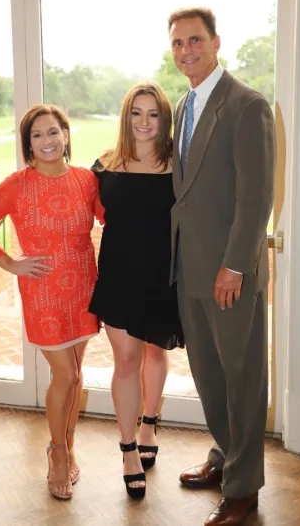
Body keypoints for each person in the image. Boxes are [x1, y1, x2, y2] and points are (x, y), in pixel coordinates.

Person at [0, 104, 104, 501]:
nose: (47, 141)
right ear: (28, 145)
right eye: (37, 135)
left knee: (76, 372)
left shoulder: (87, 180)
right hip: (43, 292)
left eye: (53, 132)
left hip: (83, 288)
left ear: (66, 135)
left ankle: (68, 447)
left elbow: (117, 218)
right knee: (67, 376)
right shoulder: (17, 185)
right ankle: (58, 454)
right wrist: (12, 264)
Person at [168, 7, 276, 525]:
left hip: (230, 274)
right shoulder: (183, 106)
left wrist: (235, 265)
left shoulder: (247, 105)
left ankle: (244, 488)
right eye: (177, 43)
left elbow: (257, 197)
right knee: (209, 374)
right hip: (190, 270)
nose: (186, 51)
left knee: (242, 376)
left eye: (195, 40)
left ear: (215, 43)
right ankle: (226, 456)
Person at [89, 81, 184, 499]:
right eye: (136, 113)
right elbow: (80, 215)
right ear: (126, 116)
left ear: (164, 120)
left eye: (153, 114)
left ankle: (149, 424)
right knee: (125, 359)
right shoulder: (104, 164)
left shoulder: (178, 165)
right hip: (119, 275)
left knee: (154, 351)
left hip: (163, 276)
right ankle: (128, 451)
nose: (144, 122)